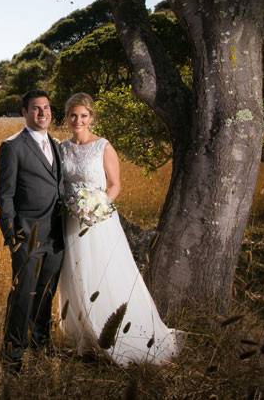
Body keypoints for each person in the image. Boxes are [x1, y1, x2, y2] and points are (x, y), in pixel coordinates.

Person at [57, 92, 181, 366]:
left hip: (99, 222)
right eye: (73, 115)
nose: (78, 120)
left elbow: (115, 185)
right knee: (77, 275)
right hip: (71, 220)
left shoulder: (102, 146)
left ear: (91, 118)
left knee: (104, 274)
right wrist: (75, 206)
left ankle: (117, 334)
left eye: (84, 116)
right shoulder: (62, 149)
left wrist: (97, 206)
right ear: (67, 117)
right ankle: (86, 338)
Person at [0, 89, 64, 374]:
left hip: (57, 234)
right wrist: (12, 235)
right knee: (23, 294)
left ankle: (40, 342)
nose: (43, 113)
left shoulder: (58, 145)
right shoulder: (12, 146)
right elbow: (5, 195)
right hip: (27, 233)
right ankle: (12, 354)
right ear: (24, 112)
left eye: (46, 108)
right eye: (36, 109)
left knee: (46, 293)